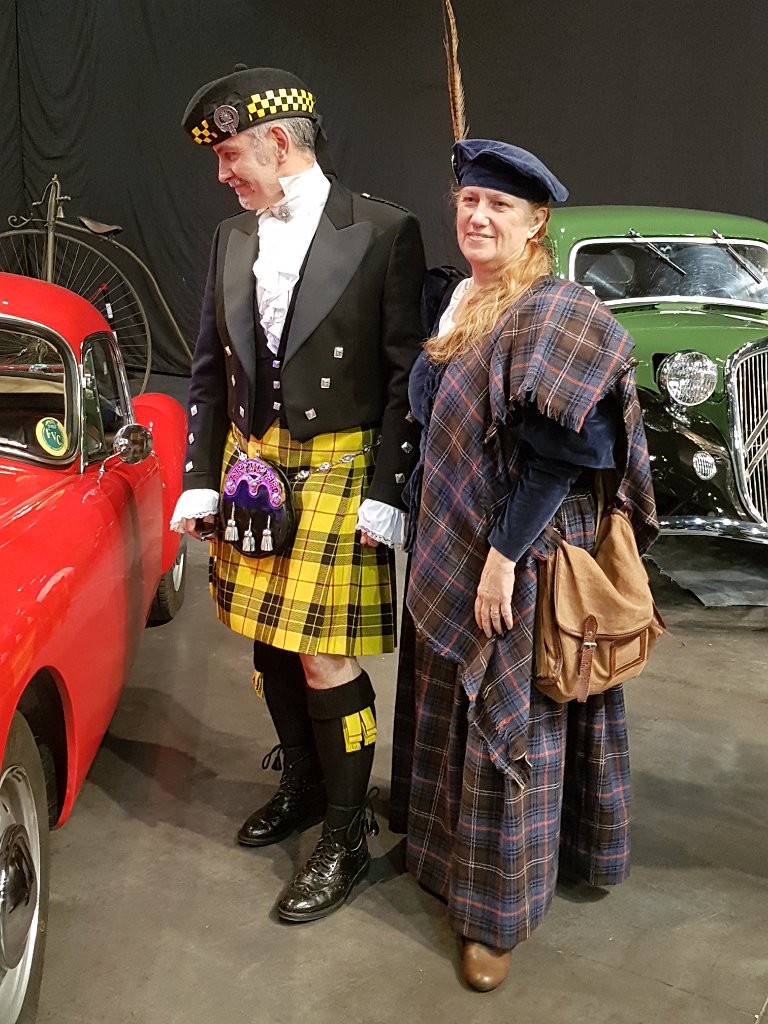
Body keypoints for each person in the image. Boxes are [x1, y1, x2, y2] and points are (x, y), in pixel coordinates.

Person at [390, 139, 658, 990]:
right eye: (468, 200)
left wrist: (502, 559)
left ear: (537, 222)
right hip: (453, 542)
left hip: (518, 555)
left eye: (499, 206)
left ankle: (495, 918)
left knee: (508, 729)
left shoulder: (553, 312)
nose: (478, 216)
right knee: (448, 711)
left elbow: (566, 458)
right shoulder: (463, 299)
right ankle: (442, 857)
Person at [172, 66, 424, 922]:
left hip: (339, 468)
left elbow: (404, 377)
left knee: (324, 655)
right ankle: (307, 785)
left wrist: (389, 490)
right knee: (268, 643)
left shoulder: (383, 231)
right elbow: (209, 371)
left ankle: (346, 837)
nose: (222, 175)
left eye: (231, 156)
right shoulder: (230, 237)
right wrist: (199, 480)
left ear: (279, 142)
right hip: (252, 467)